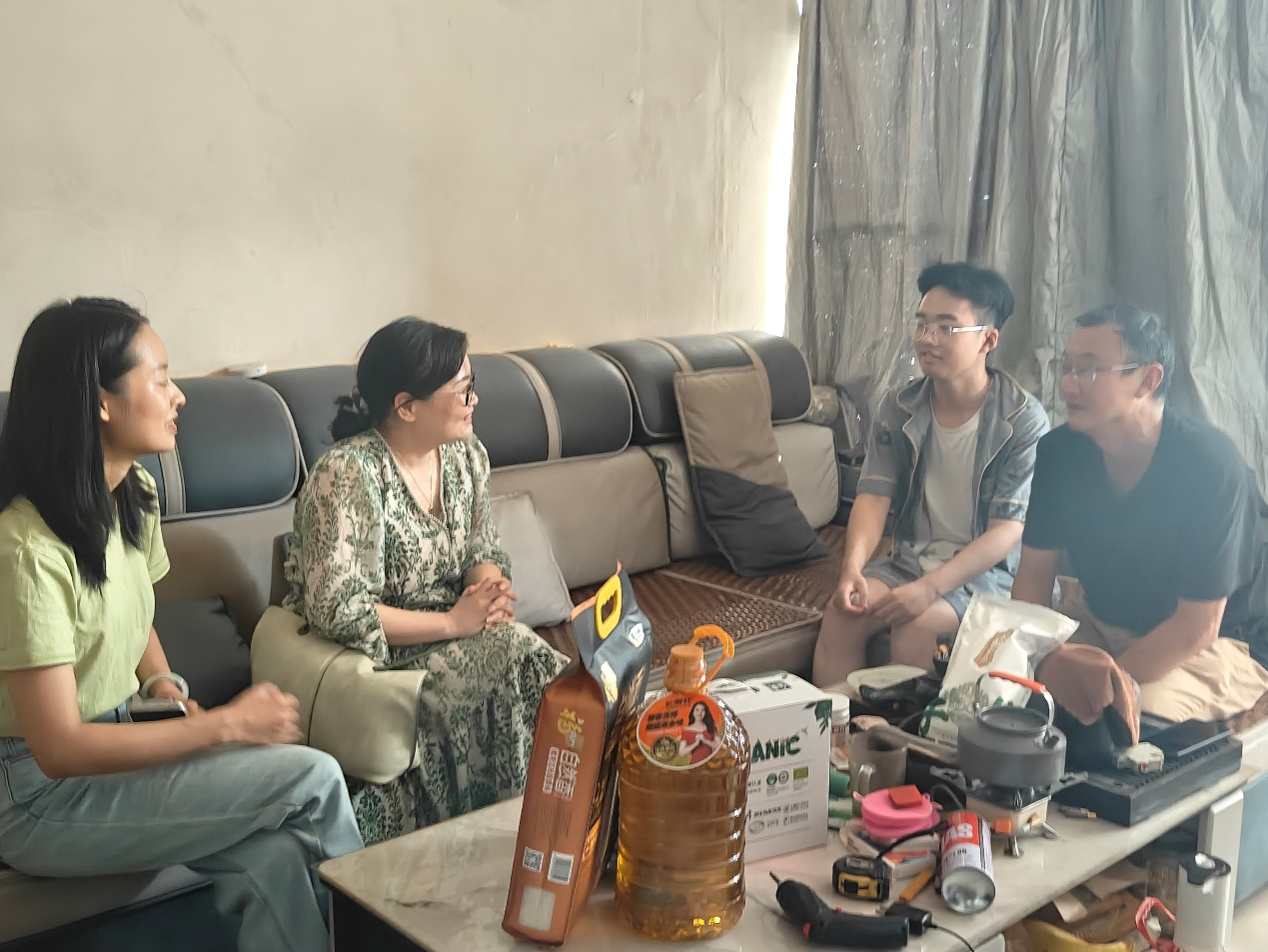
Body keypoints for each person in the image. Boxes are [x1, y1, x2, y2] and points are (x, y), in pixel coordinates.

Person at [0, 298, 363, 952]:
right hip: (39, 796)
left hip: (122, 745)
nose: (179, 396)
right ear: (101, 401)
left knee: (276, 855)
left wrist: (164, 685)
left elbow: (134, 613)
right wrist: (222, 726)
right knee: (312, 777)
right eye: (161, 378)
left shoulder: (133, 493)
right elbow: (59, 748)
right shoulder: (25, 550)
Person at [284, 317, 567, 844]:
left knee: (522, 654)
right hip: (379, 655)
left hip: (455, 630)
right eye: (462, 390)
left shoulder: (466, 456)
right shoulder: (347, 474)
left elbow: (482, 546)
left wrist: (488, 591)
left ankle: (549, 831)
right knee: (522, 659)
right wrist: (453, 623)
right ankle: (527, 837)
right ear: (406, 406)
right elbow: (338, 609)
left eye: (473, 385)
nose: (474, 401)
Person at [1012, 304, 1268, 722]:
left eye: (1089, 369)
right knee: (1000, 681)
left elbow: (1196, 628)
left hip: (1216, 643)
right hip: (1100, 624)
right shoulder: (1059, 452)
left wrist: (1104, 683)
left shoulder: (1210, 464)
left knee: (1128, 715)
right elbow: (1032, 583)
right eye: (1067, 367)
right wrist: (1042, 659)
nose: (1068, 384)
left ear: (1148, 380)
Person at [813, 262, 1050, 686]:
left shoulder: (1021, 419)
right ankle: (836, 726)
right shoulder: (900, 406)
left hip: (989, 576)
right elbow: (873, 496)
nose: (927, 339)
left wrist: (931, 588)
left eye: (946, 327)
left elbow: (1007, 531)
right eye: (922, 324)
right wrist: (852, 569)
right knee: (843, 613)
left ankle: (896, 732)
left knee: (918, 627)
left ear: (987, 340)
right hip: (909, 562)